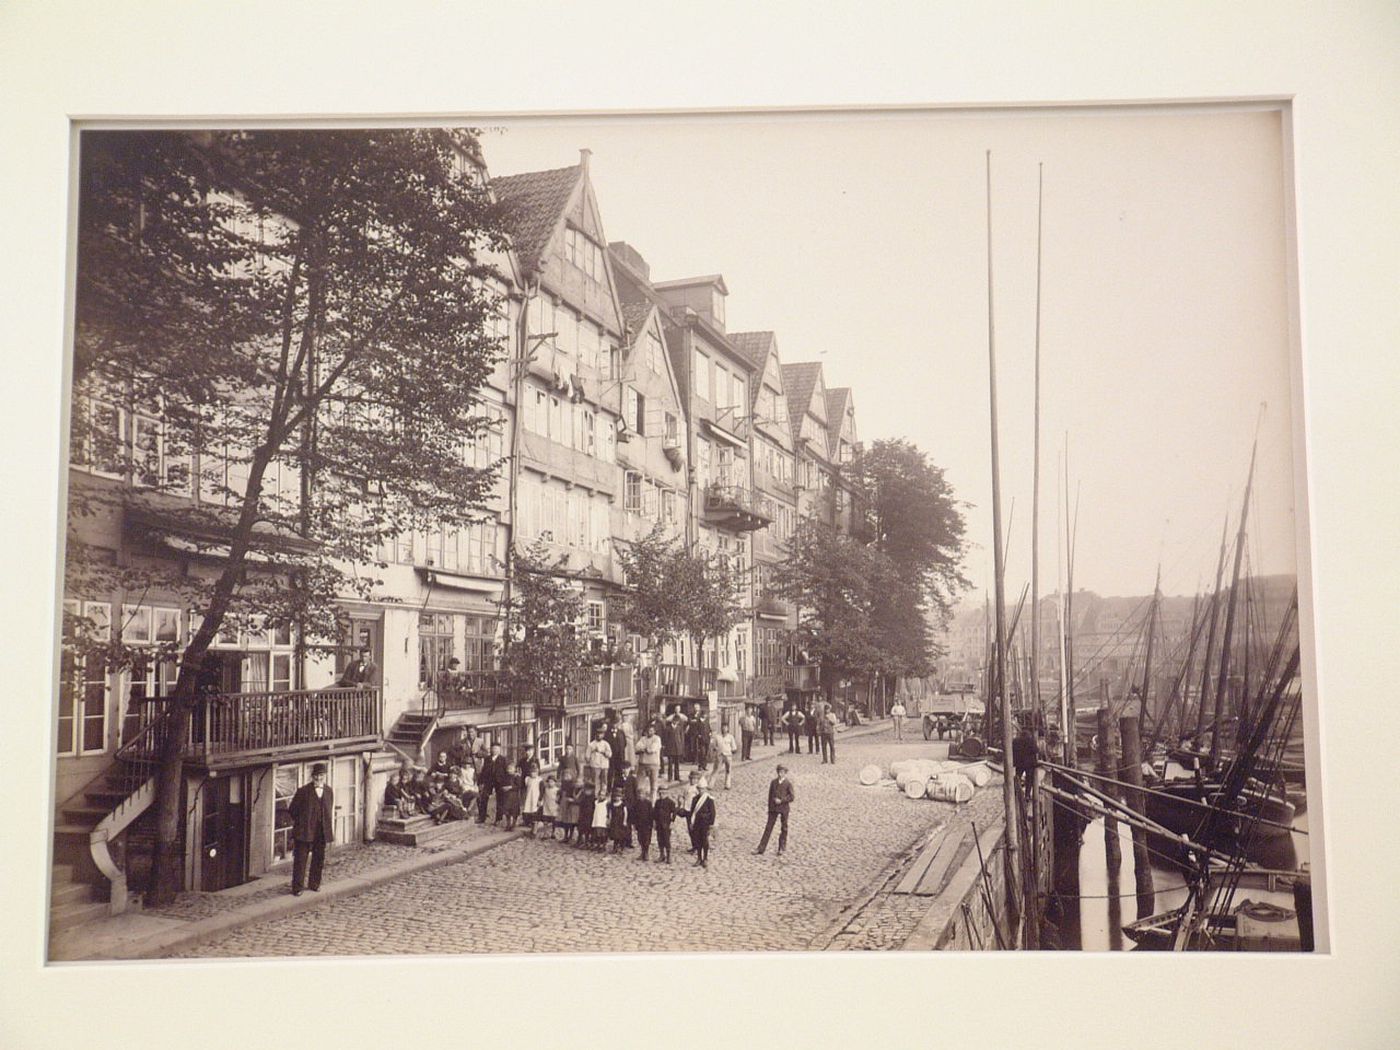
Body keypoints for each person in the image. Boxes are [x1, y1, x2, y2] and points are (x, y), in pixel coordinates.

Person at [289, 762, 334, 895]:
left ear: (324, 776)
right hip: (304, 832)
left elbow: (328, 810)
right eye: (316, 776)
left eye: (321, 775)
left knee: (319, 858)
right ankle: (297, 887)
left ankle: (314, 883)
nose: (318, 778)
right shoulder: (303, 791)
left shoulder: (328, 791)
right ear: (312, 776)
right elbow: (292, 810)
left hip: (321, 832)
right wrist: (303, 822)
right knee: (300, 860)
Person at [754, 764, 795, 855]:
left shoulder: (788, 784)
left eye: (783, 772)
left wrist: (782, 800)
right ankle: (761, 848)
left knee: (784, 828)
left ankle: (782, 847)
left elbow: (792, 797)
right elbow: (770, 796)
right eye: (779, 772)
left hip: (784, 808)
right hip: (773, 808)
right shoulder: (773, 782)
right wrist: (770, 808)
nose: (781, 774)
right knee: (768, 827)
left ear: (785, 773)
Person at [687, 778, 716, 868]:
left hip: (705, 823)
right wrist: (691, 822)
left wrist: (711, 825)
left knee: (705, 841)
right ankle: (699, 858)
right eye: (699, 789)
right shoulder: (695, 799)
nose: (700, 791)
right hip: (697, 822)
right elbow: (692, 811)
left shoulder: (709, 799)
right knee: (698, 840)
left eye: (702, 789)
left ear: (705, 789)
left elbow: (713, 813)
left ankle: (705, 858)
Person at [478, 742, 508, 824]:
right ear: (491, 749)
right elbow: (484, 770)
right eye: (493, 748)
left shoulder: (503, 759)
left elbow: (506, 771)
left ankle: (498, 819)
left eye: (496, 749)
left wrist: (506, 782)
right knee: (484, 797)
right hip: (489, 781)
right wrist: (481, 781)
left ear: (499, 750)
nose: (495, 750)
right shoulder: (487, 759)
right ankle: (482, 817)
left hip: (499, 781)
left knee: (500, 799)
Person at [636, 723, 663, 801]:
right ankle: (641, 801)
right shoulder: (643, 739)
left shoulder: (657, 739)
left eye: (651, 730)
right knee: (640, 785)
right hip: (642, 764)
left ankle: (653, 802)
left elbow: (652, 749)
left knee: (654, 785)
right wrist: (643, 749)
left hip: (653, 764)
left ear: (654, 731)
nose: (649, 732)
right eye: (648, 730)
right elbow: (637, 747)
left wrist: (643, 749)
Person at [585, 726, 613, 795]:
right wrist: (589, 760)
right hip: (595, 765)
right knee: (595, 780)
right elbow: (587, 756)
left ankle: (603, 793)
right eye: (598, 734)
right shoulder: (591, 744)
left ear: (603, 735)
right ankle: (596, 794)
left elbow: (610, 755)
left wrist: (603, 752)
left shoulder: (606, 744)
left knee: (604, 780)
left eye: (601, 734)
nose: (599, 735)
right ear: (595, 734)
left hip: (604, 765)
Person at [652, 789, 677, 864]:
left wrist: (672, 822)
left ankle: (669, 856)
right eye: (660, 793)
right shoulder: (657, 802)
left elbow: (674, 813)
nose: (661, 794)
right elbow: (655, 813)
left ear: (667, 793)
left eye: (663, 793)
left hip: (666, 824)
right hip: (659, 824)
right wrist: (654, 822)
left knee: (666, 840)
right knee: (660, 839)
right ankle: (662, 855)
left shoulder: (671, 802)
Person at [662, 710, 687, 783]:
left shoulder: (679, 728)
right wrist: (665, 746)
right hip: (670, 748)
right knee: (670, 764)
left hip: (678, 748)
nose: (676, 722)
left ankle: (677, 777)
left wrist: (682, 746)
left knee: (677, 764)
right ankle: (670, 777)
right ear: (672, 720)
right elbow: (665, 739)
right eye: (674, 720)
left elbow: (682, 738)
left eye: (677, 721)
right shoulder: (668, 728)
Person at [712, 724, 737, 789]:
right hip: (720, 755)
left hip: (728, 755)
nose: (724, 729)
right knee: (716, 769)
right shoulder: (717, 737)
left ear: (728, 729)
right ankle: (711, 784)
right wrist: (716, 749)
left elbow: (734, 747)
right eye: (723, 728)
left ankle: (727, 784)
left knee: (728, 770)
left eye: (726, 728)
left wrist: (731, 752)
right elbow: (714, 746)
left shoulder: (730, 737)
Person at [498, 761, 522, 831]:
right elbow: (501, 784)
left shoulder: (516, 776)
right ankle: (508, 824)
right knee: (507, 811)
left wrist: (510, 787)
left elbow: (519, 786)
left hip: (514, 797)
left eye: (511, 769)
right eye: (508, 769)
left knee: (514, 811)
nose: (509, 770)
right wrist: (503, 788)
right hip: (506, 796)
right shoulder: (505, 776)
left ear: (514, 769)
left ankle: (513, 824)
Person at [631, 791, 654, 861]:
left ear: (645, 795)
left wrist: (651, 824)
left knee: (646, 839)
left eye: (642, 794)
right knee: (640, 838)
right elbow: (634, 814)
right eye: (640, 794)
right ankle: (642, 852)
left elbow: (651, 814)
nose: (641, 796)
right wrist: (634, 824)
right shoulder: (636, 803)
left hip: (647, 824)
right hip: (639, 824)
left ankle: (646, 852)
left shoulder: (648, 803)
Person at [572, 780, 595, 849]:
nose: (587, 791)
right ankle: (579, 840)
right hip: (582, 814)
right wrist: (580, 792)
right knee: (580, 827)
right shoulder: (583, 795)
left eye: (588, 789)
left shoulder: (593, 797)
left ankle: (587, 842)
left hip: (589, 815)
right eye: (586, 789)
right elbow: (577, 800)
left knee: (587, 829)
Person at [606, 788, 630, 854]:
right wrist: (609, 820)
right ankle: (615, 848)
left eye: (619, 796)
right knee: (615, 835)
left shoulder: (623, 804)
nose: (617, 798)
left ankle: (621, 848)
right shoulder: (612, 804)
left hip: (620, 821)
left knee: (621, 835)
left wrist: (624, 821)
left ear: (621, 797)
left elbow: (625, 813)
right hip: (614, 821)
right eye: (616, 796)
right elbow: (610, 813)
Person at [538, 775, 560, 839]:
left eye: (552, 782)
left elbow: (558, 798)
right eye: (549, 782)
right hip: (546, 806)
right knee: (545, 821)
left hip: (554, 807)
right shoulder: (545, 789)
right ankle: (545, 833)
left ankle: (553, 832)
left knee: (554, 821)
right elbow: (542, 796)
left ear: (555, 782)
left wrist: (558, 805)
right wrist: (540, 801)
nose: (550, 783)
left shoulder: (557, 790)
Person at [590, 784, 610, 851]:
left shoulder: (606, 803)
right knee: (597, 833)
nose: (601, 796)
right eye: (600, 795)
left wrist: (608, 818)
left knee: (603, 833)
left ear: (605, 796)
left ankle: (603, 845)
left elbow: (608, 811)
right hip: (597, 819)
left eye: (603, 795)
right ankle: (598, 844)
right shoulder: (596, 802)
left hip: (603, 820)